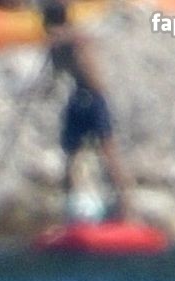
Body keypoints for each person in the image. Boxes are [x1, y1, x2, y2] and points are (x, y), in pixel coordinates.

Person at [43, 0, 133, 222]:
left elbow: (79, 38)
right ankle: (70, 209)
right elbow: (56, 74)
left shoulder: (74, 37)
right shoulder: (55, 45)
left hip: (94, 98)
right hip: (77, 96)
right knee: (70, 152)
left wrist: (60, 38)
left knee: (108, 150)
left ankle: (127, 207)